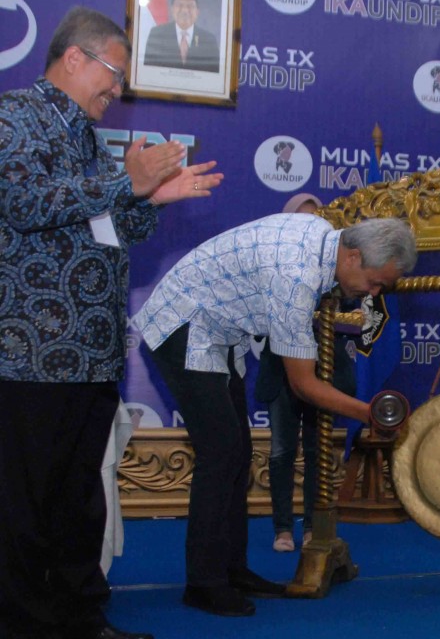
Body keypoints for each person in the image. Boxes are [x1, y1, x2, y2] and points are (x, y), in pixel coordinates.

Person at [0, 6, 222, 639]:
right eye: (114, 75)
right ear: (75, 58)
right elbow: (21, 204)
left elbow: (111, 232)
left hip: (91, 355)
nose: (117, 92)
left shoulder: (88, 139)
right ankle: (21, 624)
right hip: (31, 353)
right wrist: (124, 182)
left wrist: (148, 197)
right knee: (25, 504)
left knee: (78, 502)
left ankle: (78, 619)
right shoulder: (15, 117)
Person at [134, 215, 417, 617]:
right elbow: (303, 385)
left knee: (238, 450)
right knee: (222, 453)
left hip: (216, 333)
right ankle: (204, 582)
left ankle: (231, 569)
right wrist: (368, 413)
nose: (372, 294)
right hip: (185, 324)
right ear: (352, 256)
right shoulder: (296, 277)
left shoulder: (322, 239)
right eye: (375, 283)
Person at [255, 194, 357, 553]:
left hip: (324, 368)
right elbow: (257, 321)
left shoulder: (338, 265)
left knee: (318, 450)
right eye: (301, 221)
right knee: (282, 450)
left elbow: (357, 311)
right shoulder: (273, 264)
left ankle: (315, 527)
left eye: (316, 221)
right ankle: (283, 529)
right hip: (281, 370)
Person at [143, 0, 220, 73]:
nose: (185, 11)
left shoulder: (209, 40)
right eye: (179, 5)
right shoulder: (157, 34)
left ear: (197, 11)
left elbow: (213, 74)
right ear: (172, 9)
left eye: (190, 6)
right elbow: (149, 71)